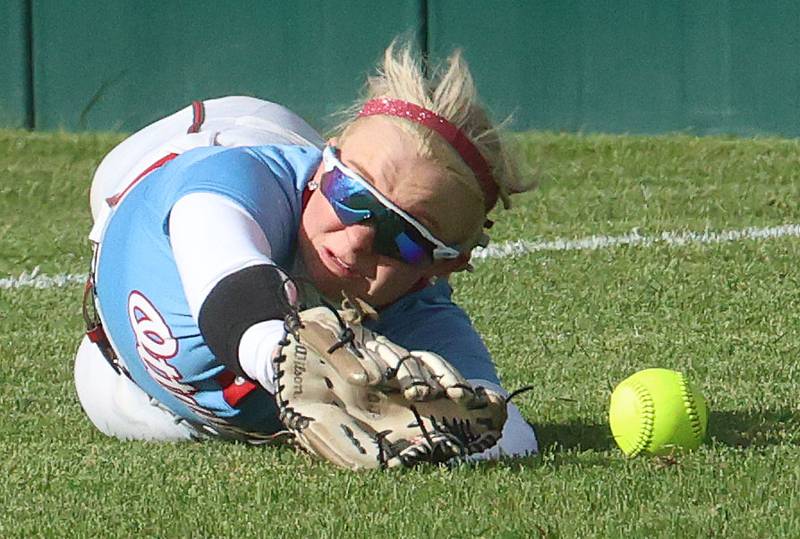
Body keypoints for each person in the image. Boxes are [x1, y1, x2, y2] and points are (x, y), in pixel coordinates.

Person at [74, 39, 538, 460]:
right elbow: (229, 283)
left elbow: (506, 432)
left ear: (445, 266)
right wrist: (286, 358)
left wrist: (439, 444)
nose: (357, 239)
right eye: (350, 194)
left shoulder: (420, 310)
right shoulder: (228, 184)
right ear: (323, 166)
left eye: (405, 236)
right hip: (179, 160)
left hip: (163, 406)